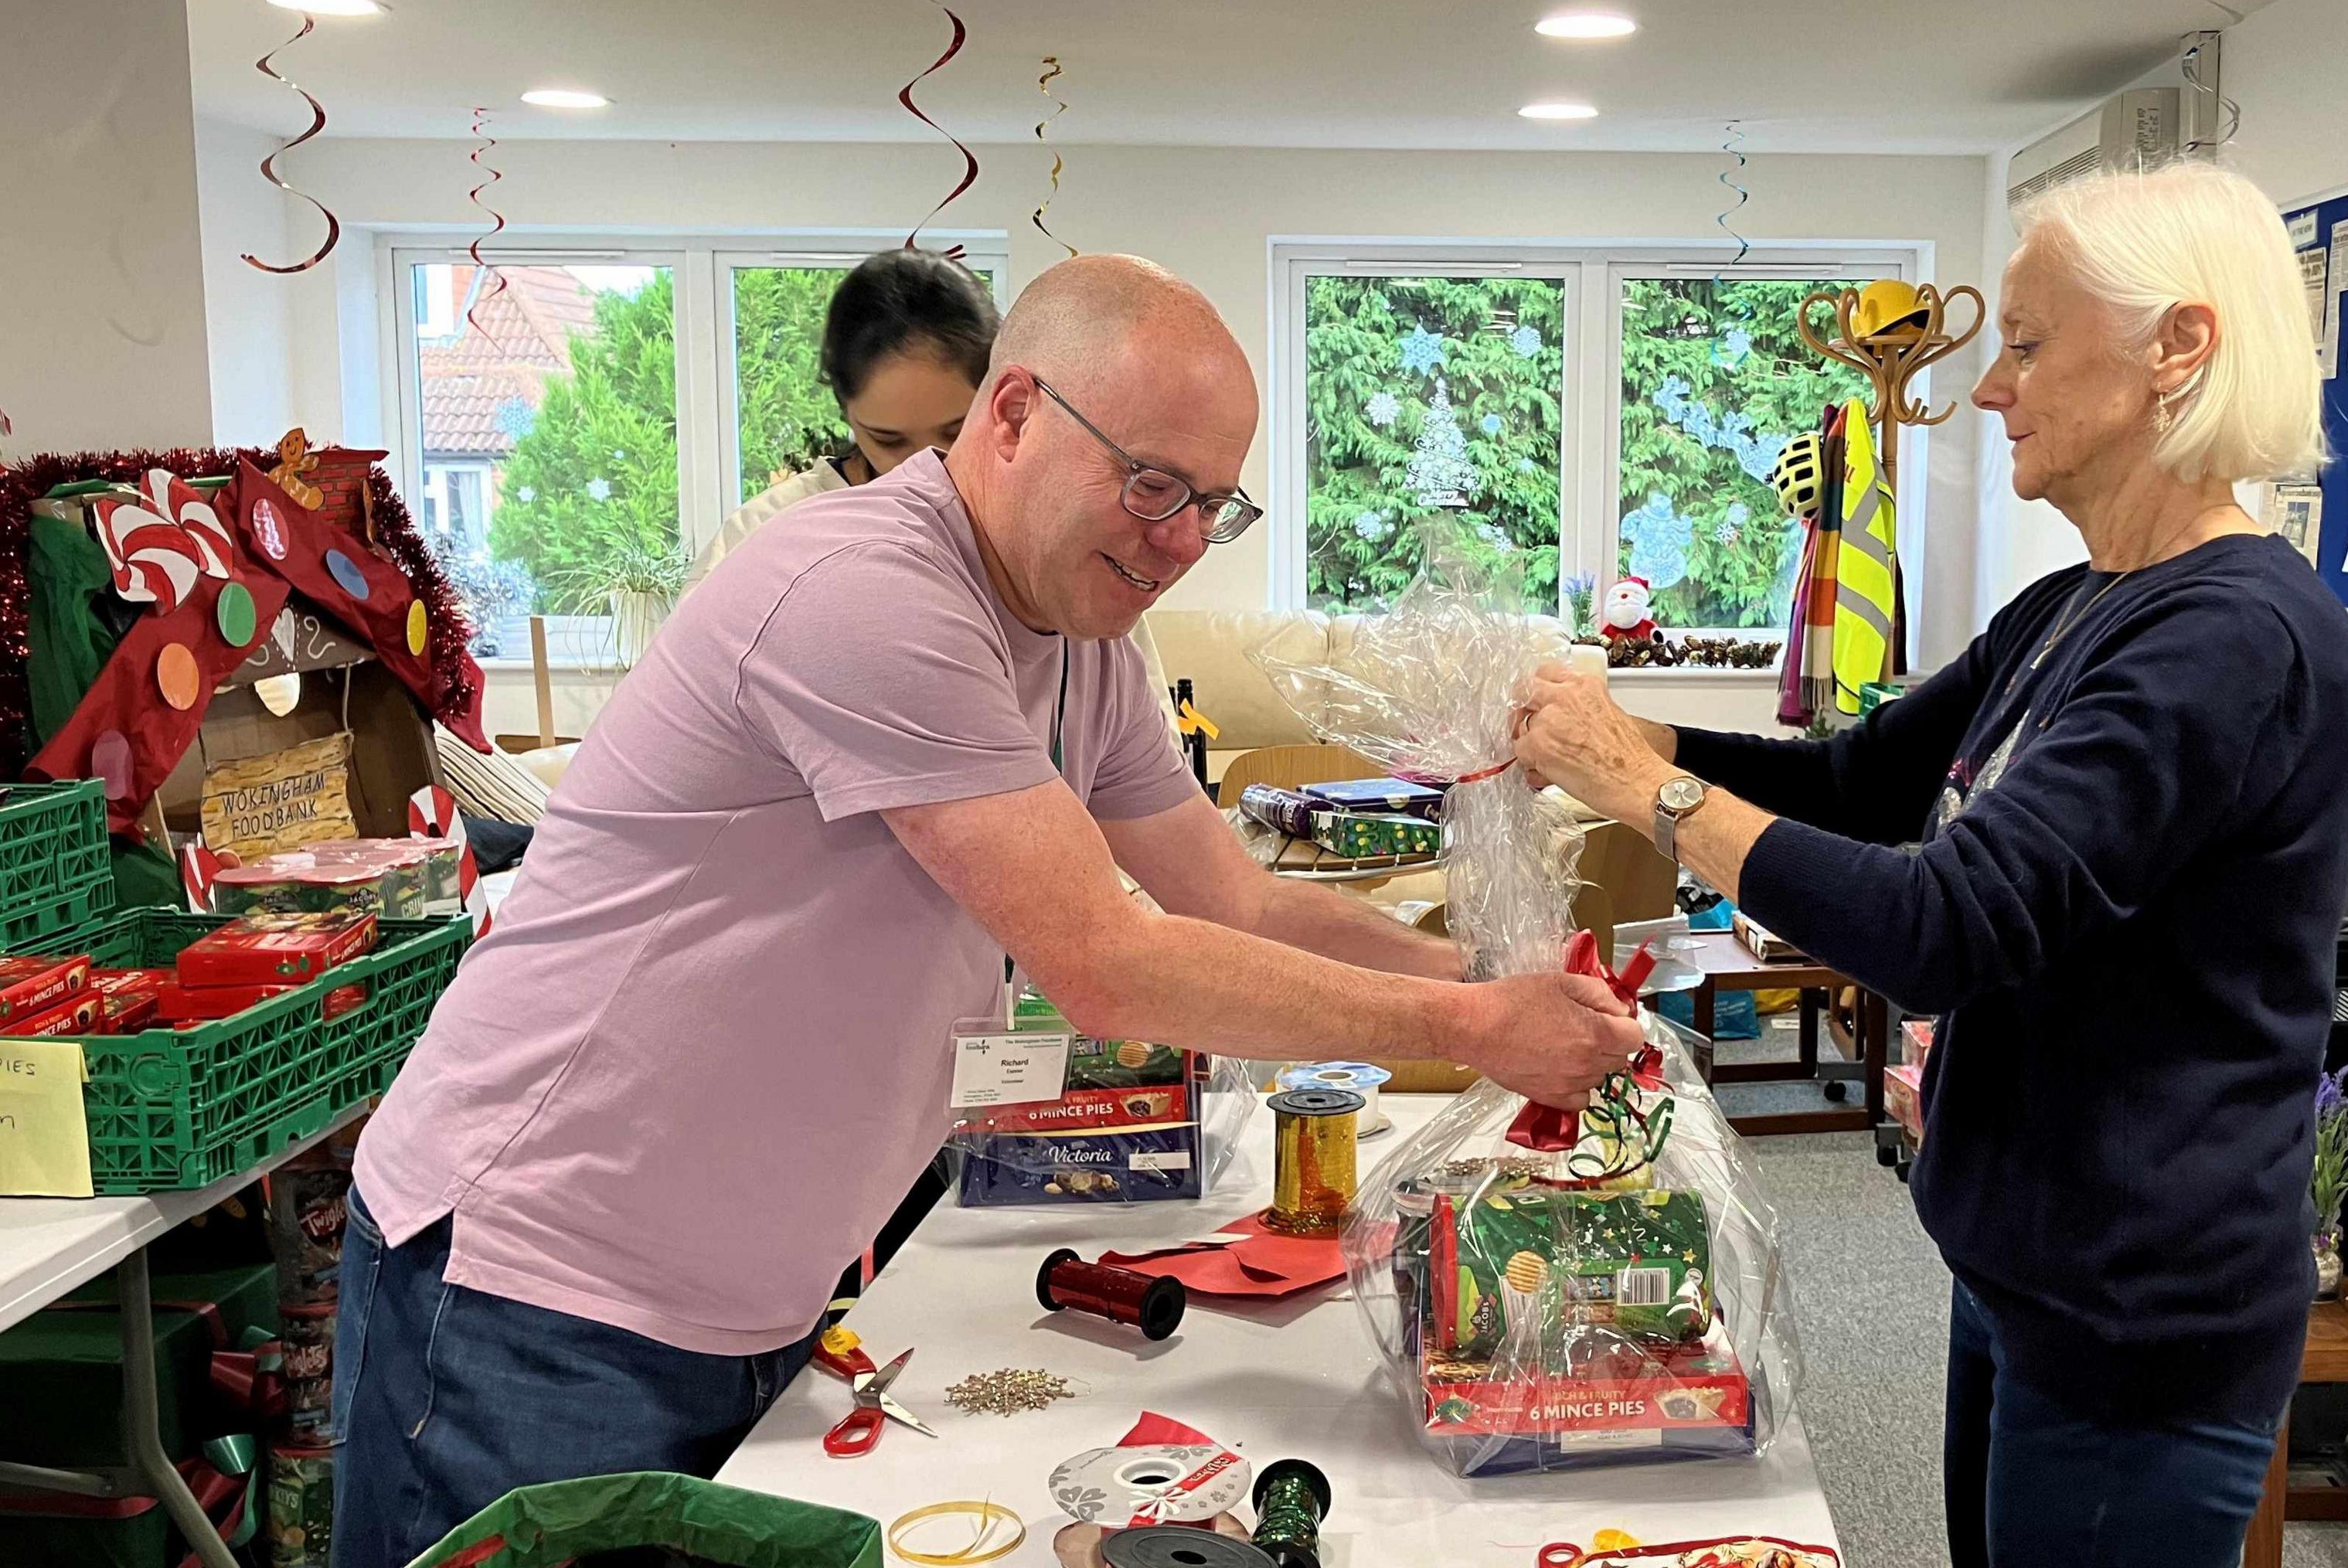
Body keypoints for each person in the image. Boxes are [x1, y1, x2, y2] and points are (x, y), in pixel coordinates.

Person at [329, 254, 1642, 1567]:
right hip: (531, 1287)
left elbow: (1230, 896)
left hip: (742, 1297)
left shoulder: (1086, 641)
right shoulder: (867, 590)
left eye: (1212, 505)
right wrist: (1474, 1023)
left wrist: (1491, 970)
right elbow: (1110, 965)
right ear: (1010, 417)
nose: (1181, 540)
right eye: (1150, 485)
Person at [1513, 163, 2348, 1566]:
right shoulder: (2077, 604)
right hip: (2030, 1267)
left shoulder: (2235, 638)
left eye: (2026, 345)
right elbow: (1859, 787)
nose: (1988, 389)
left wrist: (1639, 788)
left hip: (2136, 1314)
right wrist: (1622, 730)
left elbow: (1946, 925)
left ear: (2180, 347)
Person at [691, 247, 996, 580]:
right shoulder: (758, 537)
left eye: (956, 432)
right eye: (889, 440)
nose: (925, 467)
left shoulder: (1015, 531)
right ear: (845, 410)